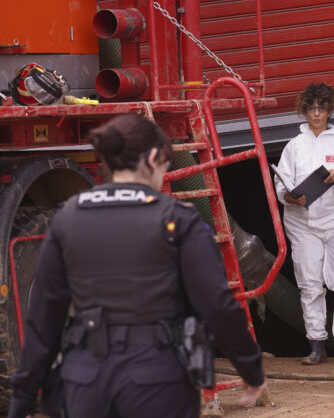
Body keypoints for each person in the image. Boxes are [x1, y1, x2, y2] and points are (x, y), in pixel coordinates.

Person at [8, 115, 266, 418]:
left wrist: (23, 399)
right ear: (154, 158)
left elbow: (43, 318)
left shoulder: (68, 218)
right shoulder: (179, 220)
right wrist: (250, 368)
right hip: (157, 378)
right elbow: (216, 304)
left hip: (85, 380)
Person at [274, 83, 334, 365]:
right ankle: (316, 345)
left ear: (330, 109)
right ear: (304, 110)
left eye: (322, 107)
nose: (316, 114)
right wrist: (289, 197)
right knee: (310, 284)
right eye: (311, 108)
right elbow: (281, 181)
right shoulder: (295, 145)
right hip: (302, 222)